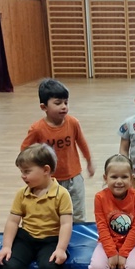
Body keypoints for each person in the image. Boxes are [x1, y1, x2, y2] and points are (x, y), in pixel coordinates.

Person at [21, 79, 94, 223]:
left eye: (66, 102)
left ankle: (78, 234)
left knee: (78, 213)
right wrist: (30, 171)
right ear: (44, 107)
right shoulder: (37, 129)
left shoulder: (73, 123)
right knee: (53, 213)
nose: (64, 107)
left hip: (74, 177)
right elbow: (24, 151)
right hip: (49, 179)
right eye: (58, 103)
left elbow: (82, 142)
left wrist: (89, 161)